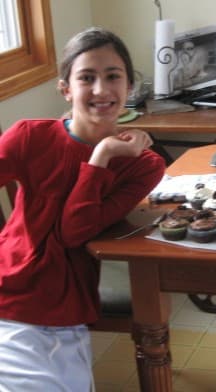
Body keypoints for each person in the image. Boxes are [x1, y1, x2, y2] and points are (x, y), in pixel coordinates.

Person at [0, 27, 165, 391]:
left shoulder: (144, 165)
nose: (101, 90)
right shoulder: (29, 136)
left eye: (112, 77)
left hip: (58, 304)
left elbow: (74, 230)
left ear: (130, 86)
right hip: (8, 290)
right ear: (66, 88)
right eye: (86, 78)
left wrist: (101, 155)